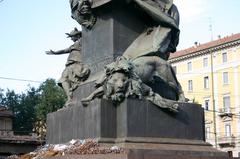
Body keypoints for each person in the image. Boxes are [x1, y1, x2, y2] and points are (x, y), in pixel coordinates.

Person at [46, 28, 90, 107]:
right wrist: (55, 53)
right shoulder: (74, 45)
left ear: (77, 35)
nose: (71, 39)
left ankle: (71, 96)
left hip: (77, 65)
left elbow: (89, 34)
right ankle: (70, 97)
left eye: (72, 36)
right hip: (69, 66)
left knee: (70, 79)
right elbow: (64, 50)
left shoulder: (81, 41)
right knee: (63, 80)